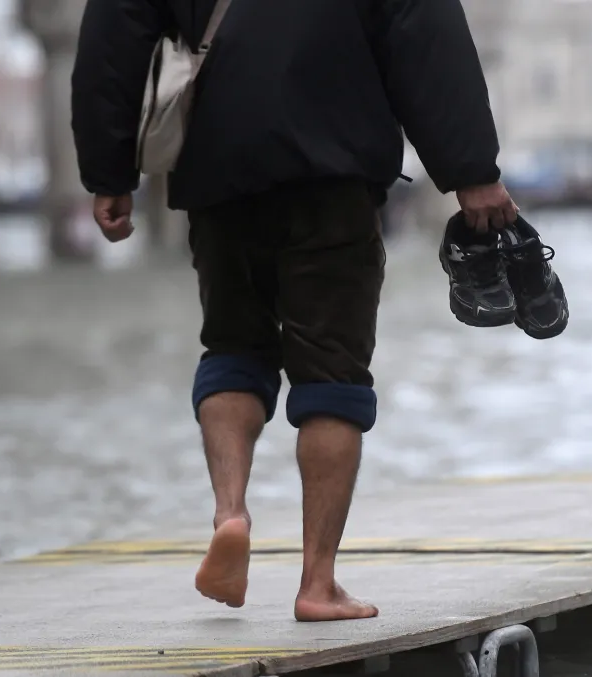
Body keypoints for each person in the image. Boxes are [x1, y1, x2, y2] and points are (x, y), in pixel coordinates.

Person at [71, 0, 518, 621]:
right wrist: (470, 171)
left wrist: (108, 170)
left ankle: (230, 512)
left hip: (217, 164)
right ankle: (317, 584)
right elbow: (426, 33)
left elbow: (112, 35)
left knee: (232, 344)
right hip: (333, 168)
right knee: (332, 370)